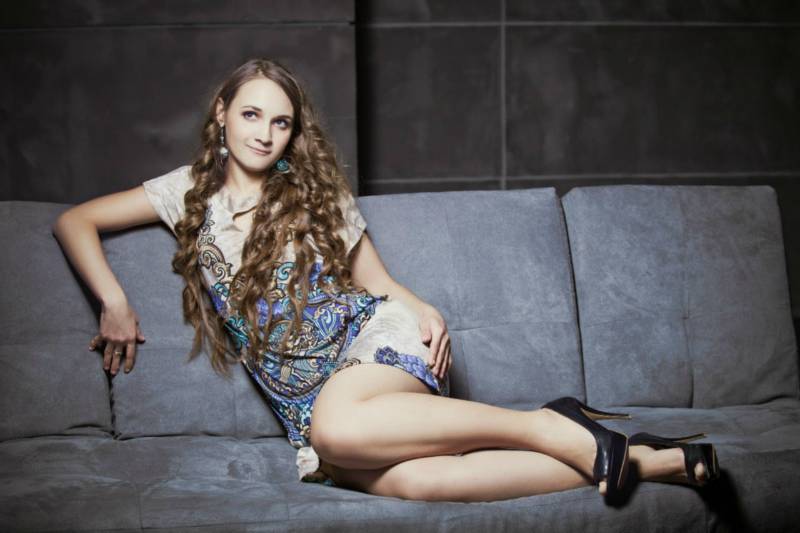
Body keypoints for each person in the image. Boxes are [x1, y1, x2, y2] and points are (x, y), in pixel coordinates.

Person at [52, 58, 719, 503]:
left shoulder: (316, 193)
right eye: (251, 114)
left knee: (336, 428)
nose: (264, 133)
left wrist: (425, 311)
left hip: (371, 349)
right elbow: (75, 221)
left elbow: (379, 283)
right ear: (222, 113)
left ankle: (548, 425)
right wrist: (114, 301)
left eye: (280, 121)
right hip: (312, 404)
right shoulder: (186, 192)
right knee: (418, 483)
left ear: (293, 133)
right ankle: (643, 461)